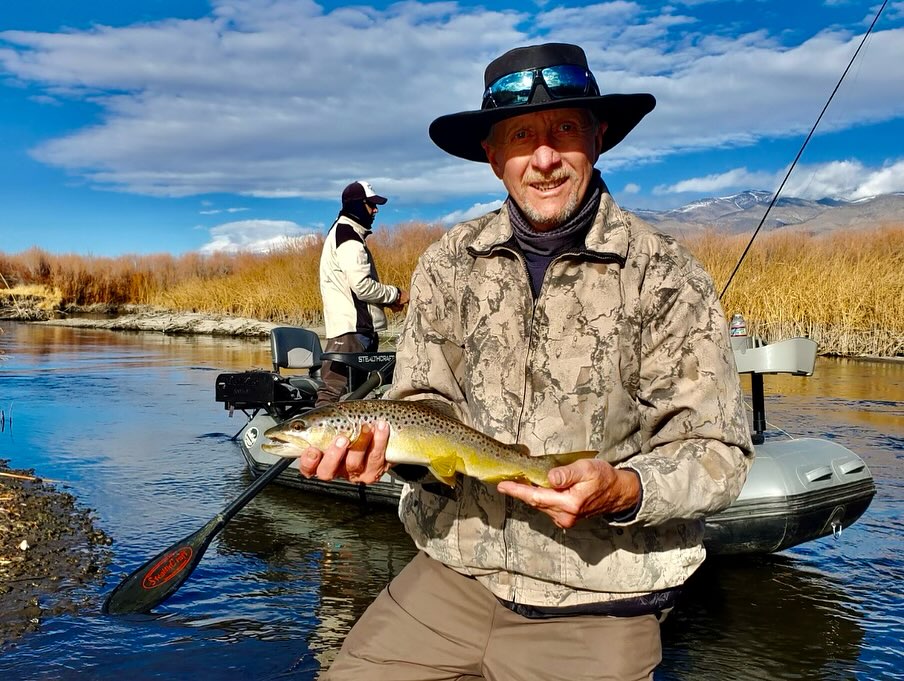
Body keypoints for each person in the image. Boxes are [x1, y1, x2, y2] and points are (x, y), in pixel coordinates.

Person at [300, 42, 754, 680]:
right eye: (520, 136)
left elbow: (717, 451)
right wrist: (396, 459)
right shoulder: (447, 264)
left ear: (598, 139)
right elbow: (428, 408)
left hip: (601, 595)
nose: (544, 158)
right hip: (451, 573)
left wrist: (625, 489)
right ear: (492, 157)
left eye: (564, 129)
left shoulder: (669, 276)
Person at [316, 180, 408, 405]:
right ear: (357, 205)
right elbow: (362, 286)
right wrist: (396, 295)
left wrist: (385, 303)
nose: (375, 210)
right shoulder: (348, 237)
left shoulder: (345, 233)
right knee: (332, 396)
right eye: (371, 205)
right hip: (351, 332)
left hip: (356, 331)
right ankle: (310, 439)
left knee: (355, 399)